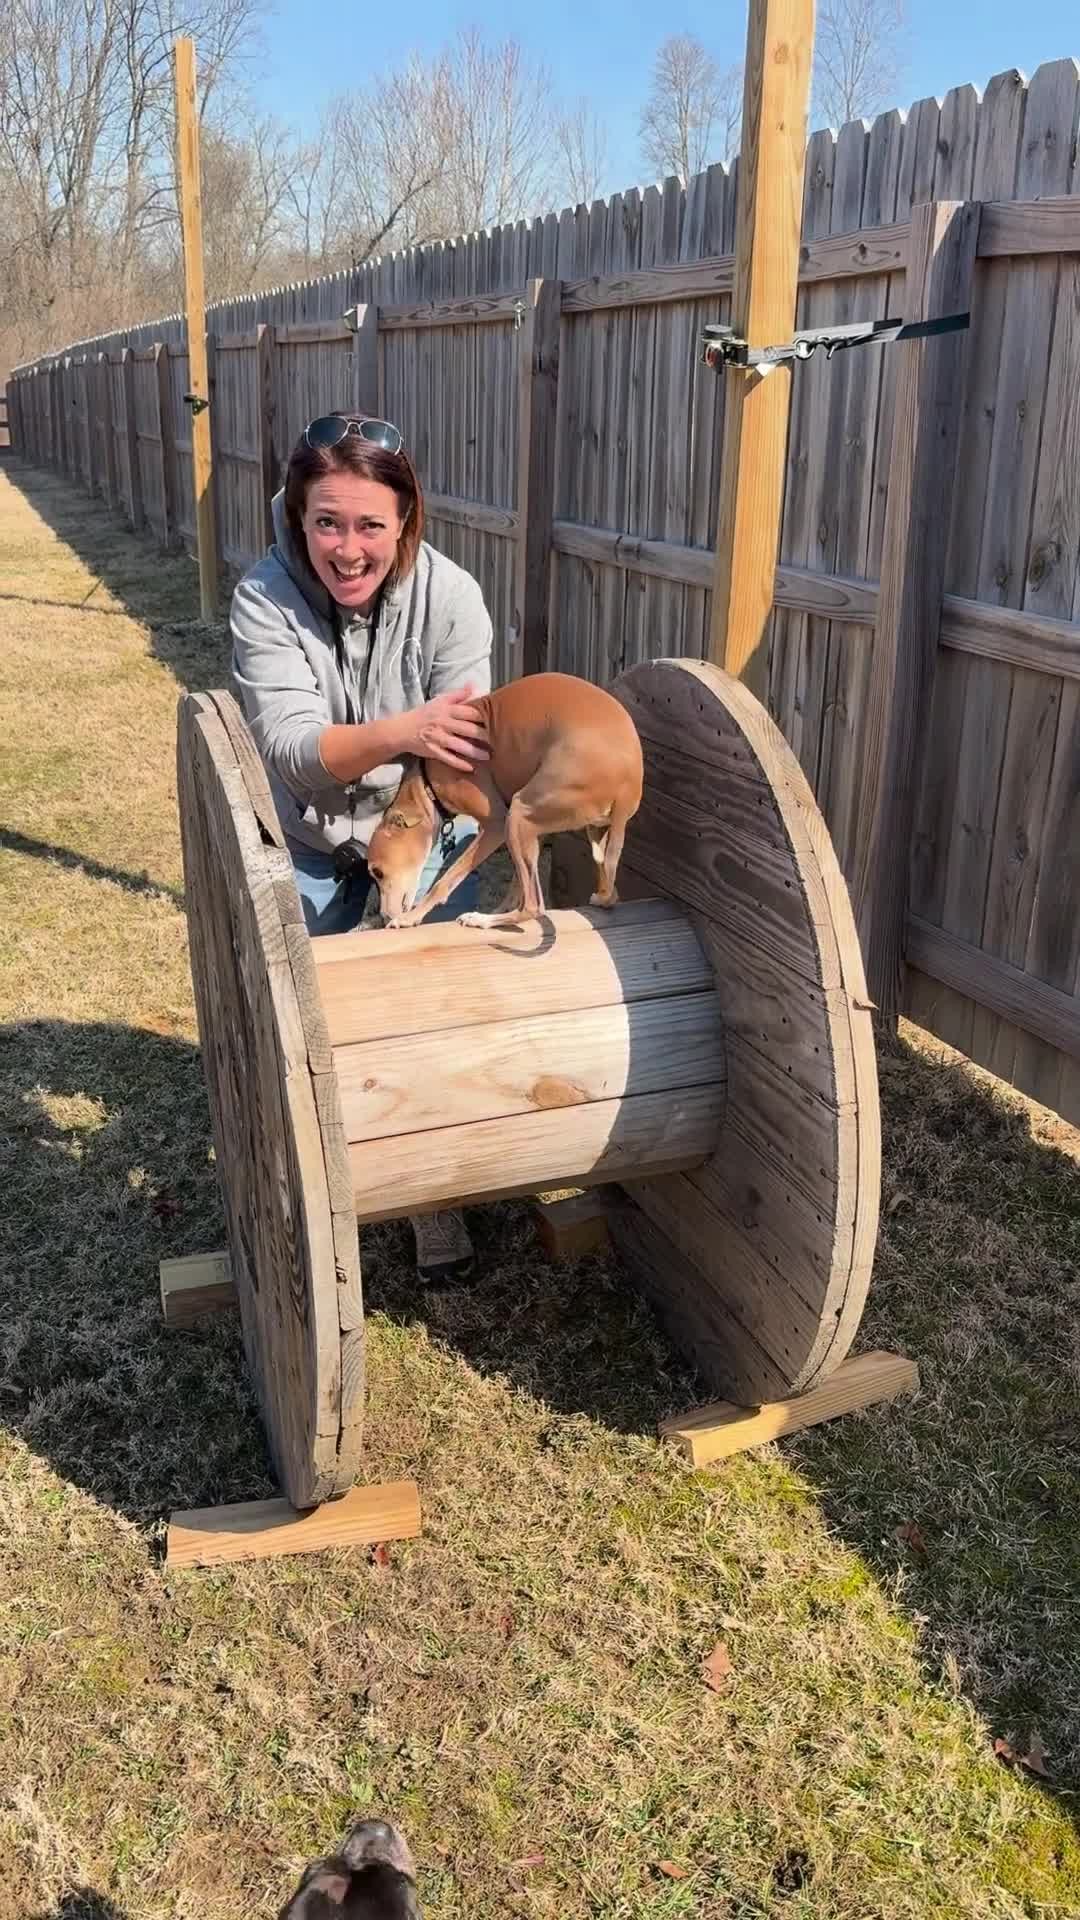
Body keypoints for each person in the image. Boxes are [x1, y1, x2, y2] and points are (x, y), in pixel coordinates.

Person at [230, 411, 492, 1285]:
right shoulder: (264, 598)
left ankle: (431, 1196)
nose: (348, 549)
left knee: (429, 1013)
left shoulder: (453, 599)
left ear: (405, 520)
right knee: (308, 1027)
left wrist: (405, 849)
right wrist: (406, 731)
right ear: (297, 518)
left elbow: (461, 753)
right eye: (327, 523)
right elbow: (295, 750)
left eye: (371, 525)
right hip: (308, 837)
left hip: (423, 831)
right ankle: (310, 1182)